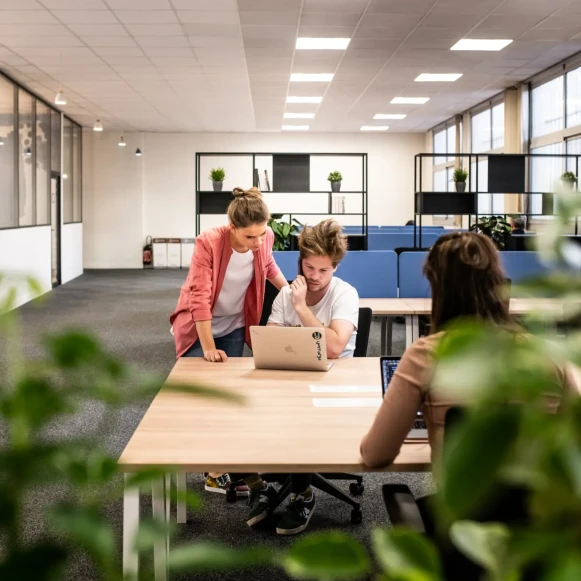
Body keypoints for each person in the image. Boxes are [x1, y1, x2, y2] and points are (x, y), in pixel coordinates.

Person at [360, 231, 574, 472]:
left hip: (462, 509)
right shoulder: (548, 353)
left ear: (438, 288)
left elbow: (376, 454)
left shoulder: (427, 355)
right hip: (541, 506)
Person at [236, 219, 360, 535]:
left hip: (333, 384)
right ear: (300, 262)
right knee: (232, 408)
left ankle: (302, 494)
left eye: (323, 270)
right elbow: (270, 342)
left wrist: (302, 308)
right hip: (288, 379)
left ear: (335, 268)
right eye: (309, 268)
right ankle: (258, 486)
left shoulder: (345, 294)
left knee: (303, 415)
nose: (314, 277)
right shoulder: (286, 294)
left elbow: (333, 347)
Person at [170, 186, 287, 496]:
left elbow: (268, 265)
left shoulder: (264, 238)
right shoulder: (209, 241)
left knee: (228, 397)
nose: (258, 242)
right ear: (232, 227)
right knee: (200, 399)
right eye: (251, 237)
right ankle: (182, 463)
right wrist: (208, 347)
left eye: (263, 234)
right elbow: (200, 295)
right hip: (201, 326)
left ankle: (216, 470)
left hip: (235, 323)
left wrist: (288, 291)